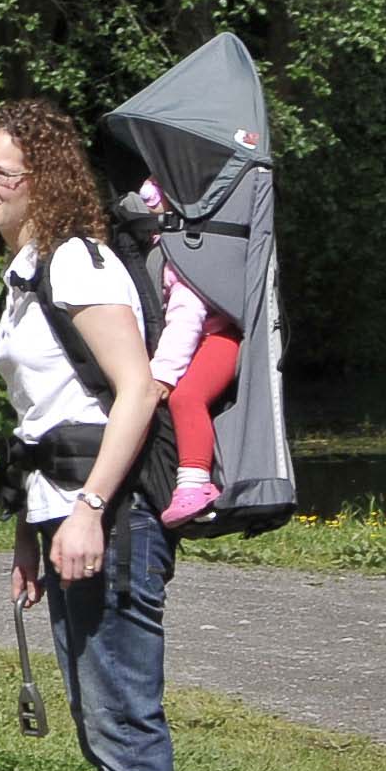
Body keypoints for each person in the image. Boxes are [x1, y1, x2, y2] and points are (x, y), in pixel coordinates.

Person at [0, 98, 185, 771]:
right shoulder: (28, 271)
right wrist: (31, 527)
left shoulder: (78, 262)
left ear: (42, 179)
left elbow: (134, 392)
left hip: (112, 519)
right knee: (104, 723)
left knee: (125, 723)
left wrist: (86, 507)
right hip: (68, 513)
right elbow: (47, 419)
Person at [129, 176, 246, 527]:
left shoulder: (183, 261)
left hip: (221, 337)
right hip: (206, 338)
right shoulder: (165, 252)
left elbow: (186, 321)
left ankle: (195, 485)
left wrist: (163, 374)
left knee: (186, 398)